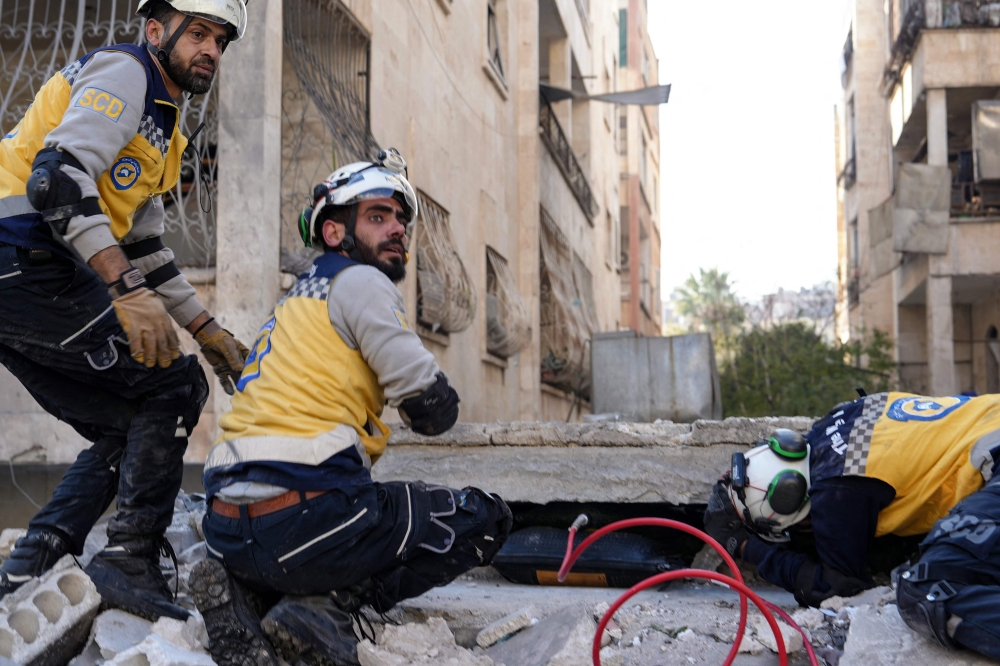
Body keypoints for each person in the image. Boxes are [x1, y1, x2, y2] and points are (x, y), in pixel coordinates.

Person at [189, 151, 513, 666]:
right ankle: (326, 606)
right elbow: (433, 408)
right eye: (378, 217)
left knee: (348, 514)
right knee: (483, 518)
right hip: (308, 520)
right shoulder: (362, 283)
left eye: (401, 220)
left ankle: (248, 594)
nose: (398, 230)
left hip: (226, 525)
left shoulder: (293, 302)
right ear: (336, 233)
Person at [0, 0, 250, 622]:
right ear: (156, 31)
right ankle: (128, 557)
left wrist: (207, 329)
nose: (211, 50)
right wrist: (123, 288)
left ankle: (35, 559)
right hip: (20, 253)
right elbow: (55, 180)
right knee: (174, 384)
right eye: (198, 33)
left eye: (221, 40)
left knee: (131, 417)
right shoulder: (126, 74)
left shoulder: (166, 127)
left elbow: (144, 243)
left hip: (22, 267)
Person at [703, 392, 1000, 626]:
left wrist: (745, 546)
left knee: (926, 591)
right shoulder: (837, 420)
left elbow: (839, 586)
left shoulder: (836, 490)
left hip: (993, 459)